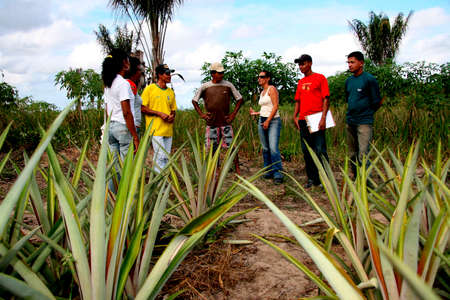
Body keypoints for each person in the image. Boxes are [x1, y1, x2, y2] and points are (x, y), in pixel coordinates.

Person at [192, 62, 244, 174]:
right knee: (212, 148)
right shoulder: (205, 86)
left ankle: (237, 169)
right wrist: (202, 115)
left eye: (222, 72)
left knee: (232, 147)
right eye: (219, 73)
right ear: (212, 73)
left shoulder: (228, 85)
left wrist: (233, 114)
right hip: (211, 124)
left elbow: (239, 99)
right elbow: (194, 101)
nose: (221, 75)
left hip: (225, 122)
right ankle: (215, 169)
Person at [292, 54, 330, 188]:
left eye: (303, 64)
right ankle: (311, 179)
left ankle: (325, 178)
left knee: (320, 149)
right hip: (303, 120)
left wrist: (323, 118)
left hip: (316, 118)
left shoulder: (320, 78)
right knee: (307, 150)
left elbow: (326, 98)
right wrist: (294, 116)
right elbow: (298, 100)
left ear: (310, 63)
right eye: (299, 65)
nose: (301, 67)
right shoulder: (301, 82)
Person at [345, 51, 382, 177]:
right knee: (352, 154)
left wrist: (367, 113)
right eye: (348, 62)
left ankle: (367, 185)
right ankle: (356, 179)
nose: (350, 65)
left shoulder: (369, 79)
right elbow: (349, 98)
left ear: (361, 63)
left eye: (352, 62)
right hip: (350, 121)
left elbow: (377, 101)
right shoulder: (349, 81)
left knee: (363, 155)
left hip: (364, 122)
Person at [102, 49, 139, 160]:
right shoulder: (123, 84)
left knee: (115, 166)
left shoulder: (109, 84)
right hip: (123, 127)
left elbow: (107, 109)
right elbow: (126, 112)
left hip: (111, 127)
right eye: (127, 60)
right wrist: (135, 136)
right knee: (127, 166)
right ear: (123, 63)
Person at [141, 64, 177, 173]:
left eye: (170, 73)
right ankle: (158, 181)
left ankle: (163, 180)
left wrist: (172, 116)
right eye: (167, 73)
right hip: (155, 130)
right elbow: (142, 107)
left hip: (168, 130)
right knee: (160, 156)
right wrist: (159, 114)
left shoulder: (170, 92)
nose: (169, 76)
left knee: (166, 157)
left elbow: (173, 109)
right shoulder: (150, 89)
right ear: (160, 75)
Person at [249, 70, 283, 184]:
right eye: (258, 77)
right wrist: (256, 113)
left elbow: (275, 106)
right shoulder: (262, 92)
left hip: (273, 121)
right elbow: (266, 108)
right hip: (262, 119)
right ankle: (268, 170)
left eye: (262, 77)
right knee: (265, 148)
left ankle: (278, 173)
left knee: (273, 147)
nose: (259, 79)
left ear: (268, 78)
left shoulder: (271, 89)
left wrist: (268, 120)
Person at [125, 57, 144, 136]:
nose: (140, 73)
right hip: (132, 126)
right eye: (139, 70)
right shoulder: (130, 85)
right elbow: (127, 107)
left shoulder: (124, 83)